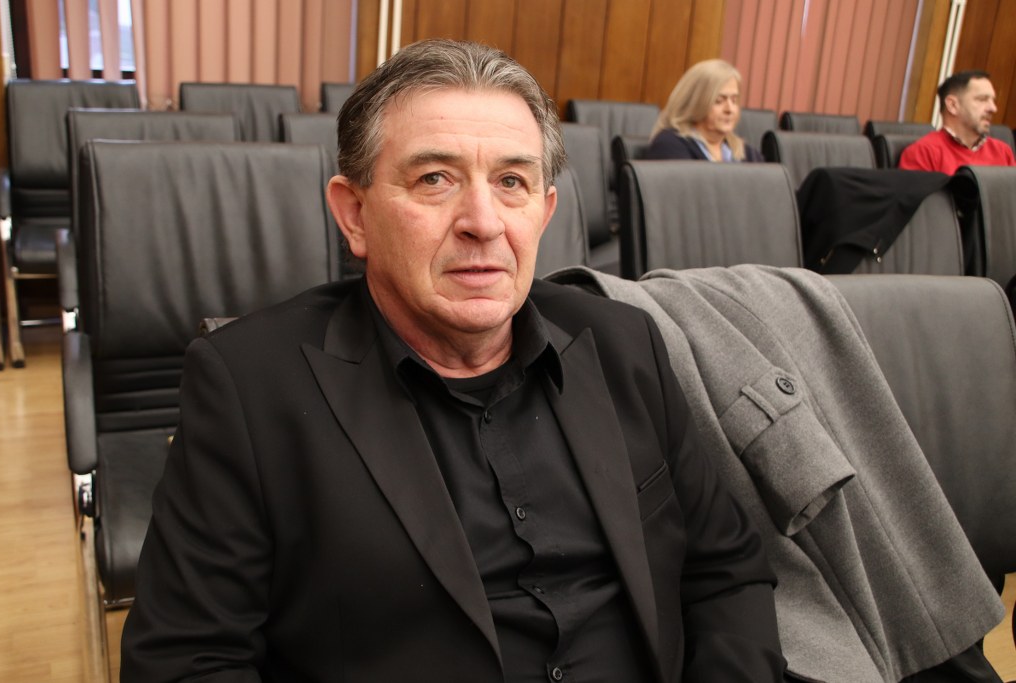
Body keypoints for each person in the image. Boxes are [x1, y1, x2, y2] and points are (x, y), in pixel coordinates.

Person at [120, 39, 786, 682]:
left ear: (544, 212)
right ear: (354, 215)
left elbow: (726, 570)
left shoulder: (625, 343)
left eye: (512, 182)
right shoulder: (248, 387)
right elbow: (186, 660)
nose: (483, 221)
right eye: (435, 179)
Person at [645, 59, 764, 163]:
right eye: (718, 101)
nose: (730, 109)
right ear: (695, 103)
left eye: (734, 100)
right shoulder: (670, 146)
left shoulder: (747, 153)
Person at [899, 69, 1016, 174]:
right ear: (953, 105)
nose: (993, 108)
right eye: (982, 99)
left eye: (992, 100)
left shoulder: (1002, 151)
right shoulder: (923, 153)